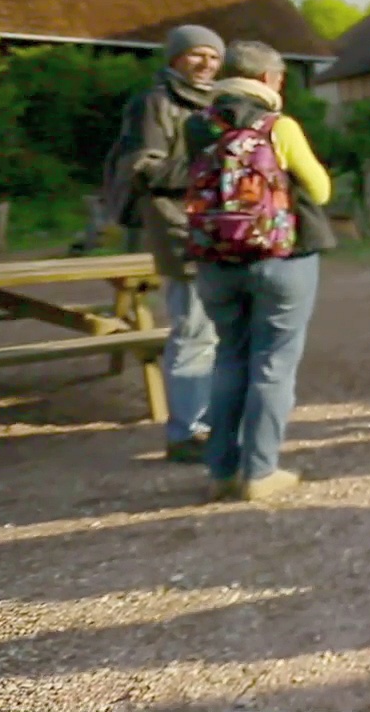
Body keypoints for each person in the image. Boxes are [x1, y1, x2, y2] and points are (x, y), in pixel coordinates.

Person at [183, 41, 333, 503]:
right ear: (268, 79)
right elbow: (320, 190)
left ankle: (222, 471)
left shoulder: (197, 125)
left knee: (230, 357)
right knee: (273, 363)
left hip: (216, 260)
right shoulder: (278, 125)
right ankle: (260, 471)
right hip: (280, 257)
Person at [110, 23, 223, 463]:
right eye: (197, 54)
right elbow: (142, 168)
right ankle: (186, 433)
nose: (206, 64)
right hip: (178, 229)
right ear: (174, 57)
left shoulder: (220, 103)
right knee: (193, 330)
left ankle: (213, 422)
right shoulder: (154, 103)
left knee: (219, 332)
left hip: (220, 231)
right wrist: (212, 166)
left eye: (213, 57)